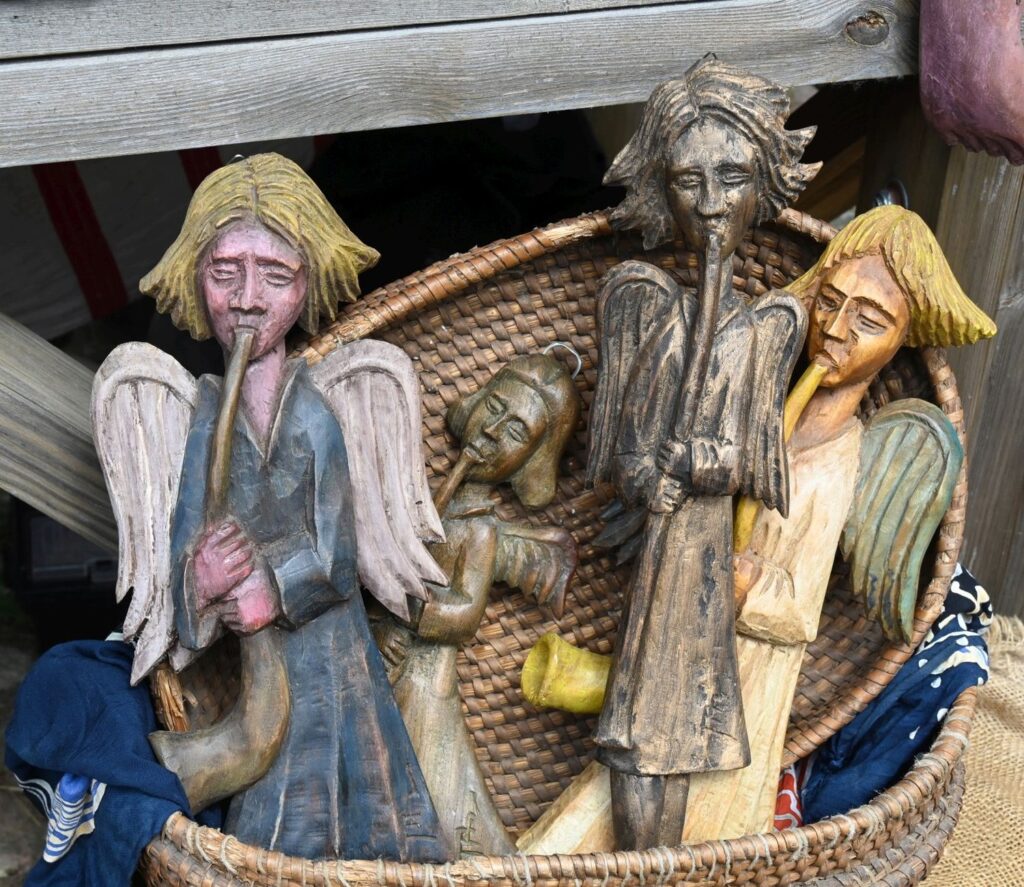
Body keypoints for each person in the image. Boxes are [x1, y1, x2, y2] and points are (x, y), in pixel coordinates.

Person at [141, 154, 451, 861]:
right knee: (269, 827)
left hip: (332, 664)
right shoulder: (203, 422)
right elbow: (185, 557)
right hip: (258, 681)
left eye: (275, 276)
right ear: (195, 278)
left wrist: (269, 588)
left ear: (307, 285)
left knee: (349, 816)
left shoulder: (314, 417)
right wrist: (201, 582)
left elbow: (338, 556)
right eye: (226, 273)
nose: (248, 299)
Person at [684, 205, 996, 839]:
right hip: (685, 638)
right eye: (829, 302)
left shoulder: (844, 462)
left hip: (749, 682)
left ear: (900, 339)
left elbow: (801, 612)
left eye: (869, 320)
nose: (835, 329)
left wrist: (752, 588)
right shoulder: (763, 414)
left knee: (704, 824)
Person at [586, 59, 818, 848]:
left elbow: (752, 459)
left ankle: (663, 858)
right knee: (634, 728)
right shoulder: (647, 307)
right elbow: (623, 446)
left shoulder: (765, 329)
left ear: (763, 186)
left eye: (732, 178)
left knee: (682, 721)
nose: (713, 204)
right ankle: (637, 859)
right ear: (664, 189)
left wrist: (703, 461)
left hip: (703, 557)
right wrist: (645, 473)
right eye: (689, 182)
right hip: (659, 544)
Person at [377, 354, 579, 856]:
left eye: (515, 432)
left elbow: (465, 614)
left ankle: (474, 859)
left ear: (530, 460)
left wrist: (409, 608)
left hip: (425, 674)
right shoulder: (422, 503)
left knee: (433, 773)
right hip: (385, 656)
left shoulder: (480, 529)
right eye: (494, 408)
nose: (492, 431)